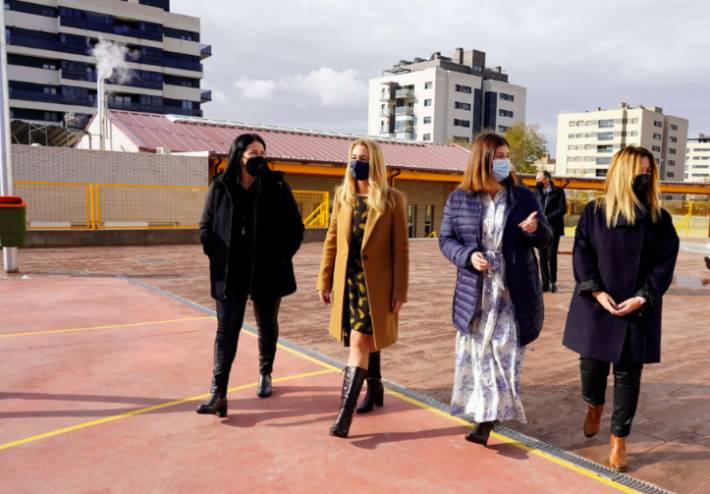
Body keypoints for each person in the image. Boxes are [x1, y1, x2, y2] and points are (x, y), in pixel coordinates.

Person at [563, 146, 679, 472]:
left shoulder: (659, 219)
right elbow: (582, 253)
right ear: (622, 173)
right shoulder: (595, 212)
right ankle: (594, 404)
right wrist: (596, 291)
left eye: (649, 171)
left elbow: (664, 264)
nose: (645, 176)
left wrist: (644, 297)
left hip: (637, 308)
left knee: (629, 375)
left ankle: (618, 439)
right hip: (597, 304)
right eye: (639, 170)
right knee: (591, 368)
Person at [439, 132, 551, 446]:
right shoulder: (459, 198)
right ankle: (488, 413)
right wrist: (467, 256)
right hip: (476, 293)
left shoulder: (523, 196)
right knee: (479, 353)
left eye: (506, 156)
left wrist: (535, 230)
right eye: (498, 156)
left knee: (503, 352)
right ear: (483, 160)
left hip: (513, 291)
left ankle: (486, 420)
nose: (504, 162)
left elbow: (546, 238)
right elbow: (446, 240)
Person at [196, 133, 304, 417]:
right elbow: (206, 226)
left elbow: (296, 227)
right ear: (239, 155)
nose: (259, 157)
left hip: (267, 269)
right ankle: (218, 394)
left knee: (266, 323)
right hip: (230, 272)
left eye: (262, 153)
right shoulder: (221, 186)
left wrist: (281, 257)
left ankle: (265, 372)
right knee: (226, 330)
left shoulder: (276, 186)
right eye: (254, 153)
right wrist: (215, 252)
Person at [316, 138, 409, 438]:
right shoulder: (342, 196)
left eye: (364, 158)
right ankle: (376, 386)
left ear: (376, 163)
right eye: (354, 157)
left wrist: (399, 291)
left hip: (376, 285)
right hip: (348, 283)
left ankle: (344, 415)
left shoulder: (392, 199)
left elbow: (401, 250)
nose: (358, 162)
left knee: (359, 341)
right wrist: (324, 279)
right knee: (367, 339)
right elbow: (332, 240)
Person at [535, 170, 567, 292]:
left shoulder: (558, 191)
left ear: (547, 179)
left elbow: (562, 209)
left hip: (554, 228)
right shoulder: (536, 193)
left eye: (540, 179)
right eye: (536, 179)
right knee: (542, 256)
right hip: (540, 229)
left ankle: (553, 281)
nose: (537, 182)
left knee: (551, 255)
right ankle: (545, 283)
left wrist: (547, 218)